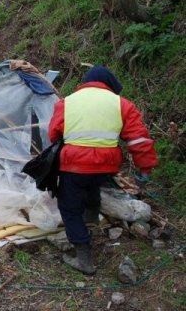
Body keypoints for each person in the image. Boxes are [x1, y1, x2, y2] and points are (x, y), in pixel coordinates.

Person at [48, 65, 158, 275]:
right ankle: (90, 219)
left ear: (87, 82)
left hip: (74, 165)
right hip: (106, 165)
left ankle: (84, 259)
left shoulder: (67, 102)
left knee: (70, 208)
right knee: (92, 186)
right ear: (109, 85)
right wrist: (145, 168)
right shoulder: (122, 104)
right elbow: (139, 139)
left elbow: (53, 134)